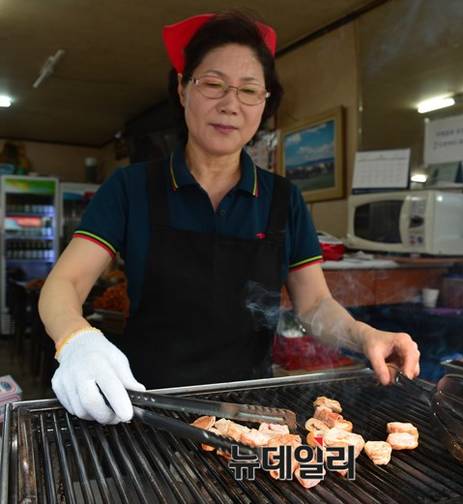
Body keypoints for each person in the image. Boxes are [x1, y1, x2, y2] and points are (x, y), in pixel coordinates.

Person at [39, 11, 420, 425]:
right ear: (183, 89)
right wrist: (77, 341)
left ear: (264, 103)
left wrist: (366, 336)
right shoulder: (131, 188)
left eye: (249, 90)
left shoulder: (284, 199)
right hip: (145, 405)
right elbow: (65, 282)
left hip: (249, 412)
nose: (230, 105)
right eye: (214, 84)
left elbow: (315, 305)